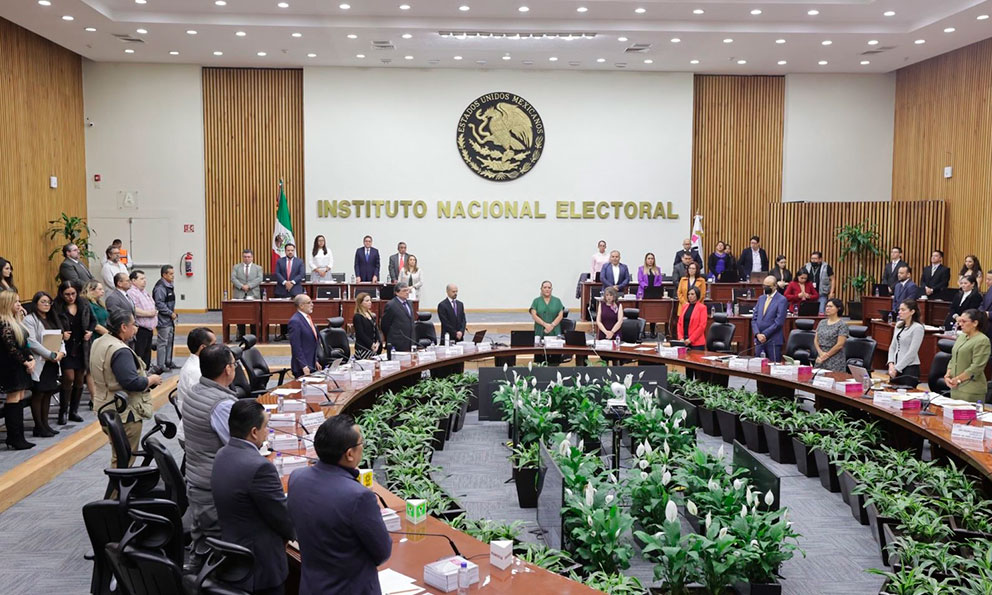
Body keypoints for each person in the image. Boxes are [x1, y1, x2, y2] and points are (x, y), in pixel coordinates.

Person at [287, 415, 391, 595]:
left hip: (312, 587)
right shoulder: (359, 496)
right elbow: (382, 553)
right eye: (361, 443)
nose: (363, 447)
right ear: (349, 454)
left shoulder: (297, 477)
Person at [212, 400, 296, 595]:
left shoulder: (221, 454)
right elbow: (282, 517)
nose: (268, 432)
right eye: (266, 426)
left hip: (233, 556)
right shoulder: (260, 467)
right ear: (254, 432)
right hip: (260, 567)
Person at [182, 343, 239, 563]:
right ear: (227, 369)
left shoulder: (196, 391)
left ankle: (195, 573)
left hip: (196, 480)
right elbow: (238, 445)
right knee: (219, 549)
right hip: (212, 488)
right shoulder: (221, 404)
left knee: (202, 544)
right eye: (234, 364)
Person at [90, 309, 163, 466]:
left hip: (104, 406)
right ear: (123, 327)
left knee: (119, 456)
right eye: (133, 324)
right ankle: (119, 484)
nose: (135, 328)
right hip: (124, 412)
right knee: (124, 460)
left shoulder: (99, 342)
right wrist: (151, 379)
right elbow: (131, 383)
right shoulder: (120, 350)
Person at [24, 292, 64, 438]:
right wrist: (50, 354)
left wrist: (61, 353)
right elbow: (32, 342)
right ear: (35, 303)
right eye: (43, 302)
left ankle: (45, 424)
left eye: (49, 302)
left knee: (48, 392)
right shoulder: (29, 319)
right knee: (39, 393)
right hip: (40, 360)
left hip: (52, 361)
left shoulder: (52, 318)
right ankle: (39, 426)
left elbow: (60, 338)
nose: (47, 305)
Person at [0, 291, 36, 449]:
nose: (19, 304)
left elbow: (24, 343)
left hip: (20, 364)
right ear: (7, 304)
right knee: (14, 398)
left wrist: (31, 358)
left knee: (20, 397)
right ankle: (14, 437)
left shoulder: (15, 321)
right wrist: (25, 362)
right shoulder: (4, 323)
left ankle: (19, 436)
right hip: (11, 367)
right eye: (16, 302)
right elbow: (11, 348)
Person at [54, 281, 93, 425]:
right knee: (68, 377)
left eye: (73, 294)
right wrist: (61, 334)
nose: (70, 297)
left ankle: (73, 411)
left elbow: (93, 321)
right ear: (61, 294)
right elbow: (52, 325)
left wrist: (90, 331)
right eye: (67, 294)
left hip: (81, 346)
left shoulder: (84, 304)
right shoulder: (57, 306)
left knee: (79, 379)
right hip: (66, 347)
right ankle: (63, 411)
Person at [178, 327, 217, 442]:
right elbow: (204, 406)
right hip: (195, 434)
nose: (217, 348)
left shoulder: (202, 364)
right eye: (214, 345)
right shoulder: (195, 371)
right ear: (203, 348)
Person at [945, 309, 992, 403]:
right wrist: (947, 375)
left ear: (975, 323)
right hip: (955, 387)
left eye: (964, 321)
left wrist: (958, 379)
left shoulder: (982, 340)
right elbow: (953, 358)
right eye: (959, 321)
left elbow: (976, 367)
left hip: (971, 389)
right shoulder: (962, 336)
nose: (960, 324)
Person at [887, 299, 924, 386]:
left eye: (903, 310)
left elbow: (912, 352)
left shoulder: (917, 328)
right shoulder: (898, 325)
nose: (899, 312)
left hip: (909, 368)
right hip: (895, 367)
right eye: (899, 309)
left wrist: (897, 368)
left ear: (912, 312)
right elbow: (892, 347)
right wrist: (891, 364)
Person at [752, 275, 787, 362]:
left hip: (773, 340)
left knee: (774, 366)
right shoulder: (761, 298)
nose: (765, 288)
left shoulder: (782, 300)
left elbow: (779, 322)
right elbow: (754, 319)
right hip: (759, 340)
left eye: (768, 286)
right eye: (764, 286)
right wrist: (757, 334)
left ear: (775, 286)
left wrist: (765, 334)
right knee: (757, 365)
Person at [127, 270, 157, 367]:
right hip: (140, 329)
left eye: (145, 278)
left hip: (149, 329)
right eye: (141, 279)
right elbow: (133, 309)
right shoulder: (132, 292)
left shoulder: (144, 292)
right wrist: (149, 313)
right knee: (140, 355)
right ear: (133, 281)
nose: (144, 281)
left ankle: (146, 372)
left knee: (147, 356)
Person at [231, 249, 263, 338]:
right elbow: (233, 278)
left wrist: (249, 286)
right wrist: (242, 286)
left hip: (253, 294)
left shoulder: (258, 268)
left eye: (249, 257)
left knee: (254, 315)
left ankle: (254, 334)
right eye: (245, 257)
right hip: (239, 293)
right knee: (240, 315)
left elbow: (259, 279)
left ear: (252, 257)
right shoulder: (236, 267)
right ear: (242, 257)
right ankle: (241, 334)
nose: (247, 259)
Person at [288, 294, 321, 377]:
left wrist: (315, 360)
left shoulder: (307, 318)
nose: (312, 304)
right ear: (301, 306)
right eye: (309, 303)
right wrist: (303, 365)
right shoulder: (295, 321)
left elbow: (312, 342)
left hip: (311, 363)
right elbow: (296, 346)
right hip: (302, 367)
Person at [153, 265, 178, 373]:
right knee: (162, 343)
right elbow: (159, 304)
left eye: (173, 273)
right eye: (171, 274)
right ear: (164, 275)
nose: (173, 276)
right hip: (163, 319)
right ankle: (161, 365)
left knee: (170, 341)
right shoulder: (160, 287)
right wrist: (170, 313)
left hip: (169, 319)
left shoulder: (169, 285)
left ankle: (168, 362)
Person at [813, 299, 850, 372]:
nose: (827, 308)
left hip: (835, 358)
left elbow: (840, 345)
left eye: (830, 306)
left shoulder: (842, 325)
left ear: (838, 308)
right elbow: (816, 340)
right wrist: (820, 353)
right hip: (820, 356)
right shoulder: (822, 322)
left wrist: (826, 356)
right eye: (826, 306)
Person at [381, 282, 415, 354]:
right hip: (397, 341)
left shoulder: (410, 303)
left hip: (410, 340)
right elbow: (385, 324)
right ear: (397, 293)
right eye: (404, 291)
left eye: (408, 290)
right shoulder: (391, 305)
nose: (407, 292)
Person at [353, 293, 382, 359]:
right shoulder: (358, 317)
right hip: (363, 348)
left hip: (374, 348)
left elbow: (376, 330)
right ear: (360, 303)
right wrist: (371, 344)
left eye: (370, 300)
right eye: (367, 301)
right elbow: (361, 334)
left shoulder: (371, 315)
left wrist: (377, 342)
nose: (370, 302)